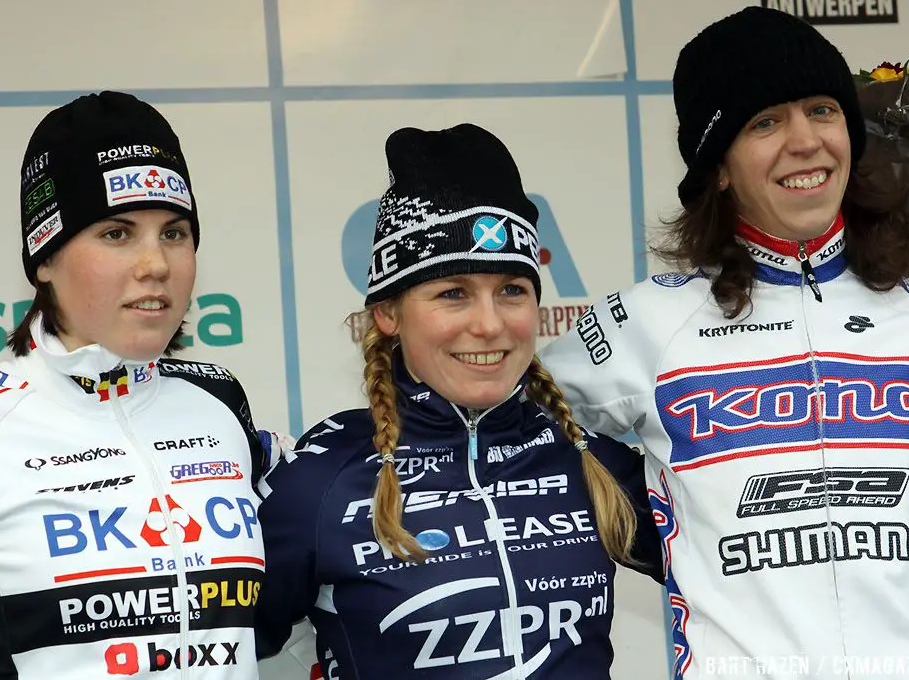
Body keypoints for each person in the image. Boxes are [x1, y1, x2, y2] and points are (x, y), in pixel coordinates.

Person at [539, 7, 909, 679]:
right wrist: (656, 523)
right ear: (718, 169)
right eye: (765, 122)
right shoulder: (649, 324)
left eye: (821, 110)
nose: (805, 142)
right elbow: (514, 424)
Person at [254, 123, 664, 678]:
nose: (490, 324)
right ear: (389, 313)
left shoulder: (587, 460)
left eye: (512, 291)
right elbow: (209, 652)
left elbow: (745, 580)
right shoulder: (322, 479)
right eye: (453, 293)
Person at [0, 91, 274, 678]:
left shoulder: (218, 402)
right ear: (45, 257)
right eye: (116, 233)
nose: (155, 263)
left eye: (175, 232)